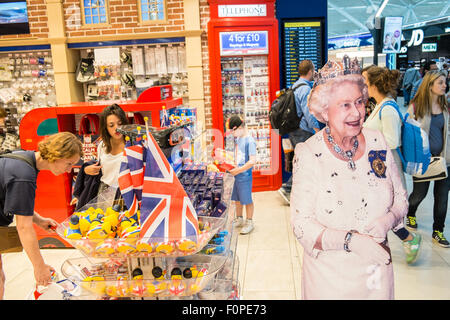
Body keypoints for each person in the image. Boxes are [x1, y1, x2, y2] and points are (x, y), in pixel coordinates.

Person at [290, 59, 408, 299]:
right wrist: (350, 241)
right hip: (331, 280)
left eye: (359, 102)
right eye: (345, 105)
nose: (356, 112)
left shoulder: (377, 142)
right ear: (325, 111)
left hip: (376, 275)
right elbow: (301, 226)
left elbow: (401, 198)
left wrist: (389, 219)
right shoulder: (309, 154)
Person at [0, 132, 82, 299]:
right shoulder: (24, 175)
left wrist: (39, 220)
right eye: (68, 163)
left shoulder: (25, 158)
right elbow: (23, 226)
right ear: (57, 155)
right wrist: (39, 267)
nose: (69, 170)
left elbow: (17, 203)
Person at [362, 66, 422, 264]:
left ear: (374, 85)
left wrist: (367, 140)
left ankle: (409, 239)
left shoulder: (387, 109)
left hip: (386, 170)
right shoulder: (380, 105)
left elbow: (392, 141)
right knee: (379, 208)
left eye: (365, 81)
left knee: (385, 209)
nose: (363, 86)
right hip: (377, 168)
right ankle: (402, 240)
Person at [405, 70, 449, 247]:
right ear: (430, 85)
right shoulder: (416, 107)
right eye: (440, 82)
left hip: (444, 161)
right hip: (423, 162)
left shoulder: (446, 107)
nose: (444, 85)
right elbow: (408, 135)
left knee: (442, 197)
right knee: (419, 194)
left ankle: (438, 231)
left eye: (445, 82)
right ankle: (410, 213)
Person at [71, 104, 129, 208]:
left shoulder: (132, 145)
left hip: (126, 192)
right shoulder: (102, 145)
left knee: (126, 223)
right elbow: (99, 167)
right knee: (102, 222)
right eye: (111, 125)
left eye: (119, 124)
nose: (116, 128)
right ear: (105, 127)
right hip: (105, 191)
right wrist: (87, 170)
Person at [280, 60, 319, 198]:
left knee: (301, 159)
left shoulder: (295, 86)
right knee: (305, 160)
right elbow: (308, 112)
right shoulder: (305, 89)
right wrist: (316, 129)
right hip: (302, 130)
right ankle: (288, 188)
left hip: (293, 130)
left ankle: (295, 188)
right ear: (310, 72)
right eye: (314, 70)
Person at [227, 115, 256, 235]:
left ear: (237, 128)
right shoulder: (238, 139)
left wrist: (238, 170)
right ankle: (239, 218)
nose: (231, 134)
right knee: (237, 199)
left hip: (244, 176)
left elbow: (252, 161)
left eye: (232, 131)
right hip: (236, 174)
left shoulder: (250, 141)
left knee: (247, 199)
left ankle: (249, 221)